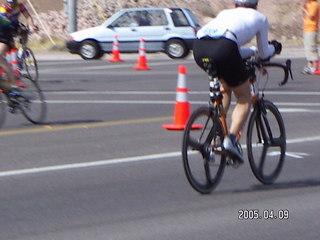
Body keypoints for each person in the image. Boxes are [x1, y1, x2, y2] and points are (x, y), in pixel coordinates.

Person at [193, 0, 282, 164]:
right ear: (256, 5)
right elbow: (263, 54)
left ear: (236, 5)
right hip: (225, 48)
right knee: (243, 98)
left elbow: (231, 48)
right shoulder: (260, 18)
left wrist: (252, 51)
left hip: (199, 47)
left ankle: (216, 134)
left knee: (225, 88)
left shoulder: (225, 13)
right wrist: (275, 48)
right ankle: (230, 141)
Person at [0, 0, 38, 92]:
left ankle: (22, 50)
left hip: (14, 24)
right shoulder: (3, 8)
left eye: (12, 2)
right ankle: (13, 63)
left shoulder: (20, 6)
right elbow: (3, 22)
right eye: (8, 2)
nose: (10, 4)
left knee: (24, 32)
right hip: (6, 28)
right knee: (7, 50)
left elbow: (28, 16)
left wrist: (32, 25)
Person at [301, 0, 319, 75]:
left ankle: (314, 67)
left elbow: (311, 16)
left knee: (312, 48)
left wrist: (304, 9)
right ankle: (309, 66)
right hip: (307, 29)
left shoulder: (315, 4)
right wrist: (303, 7)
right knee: (307, 49)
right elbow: (304, 15)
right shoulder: (309, 3)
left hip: (312, 29)